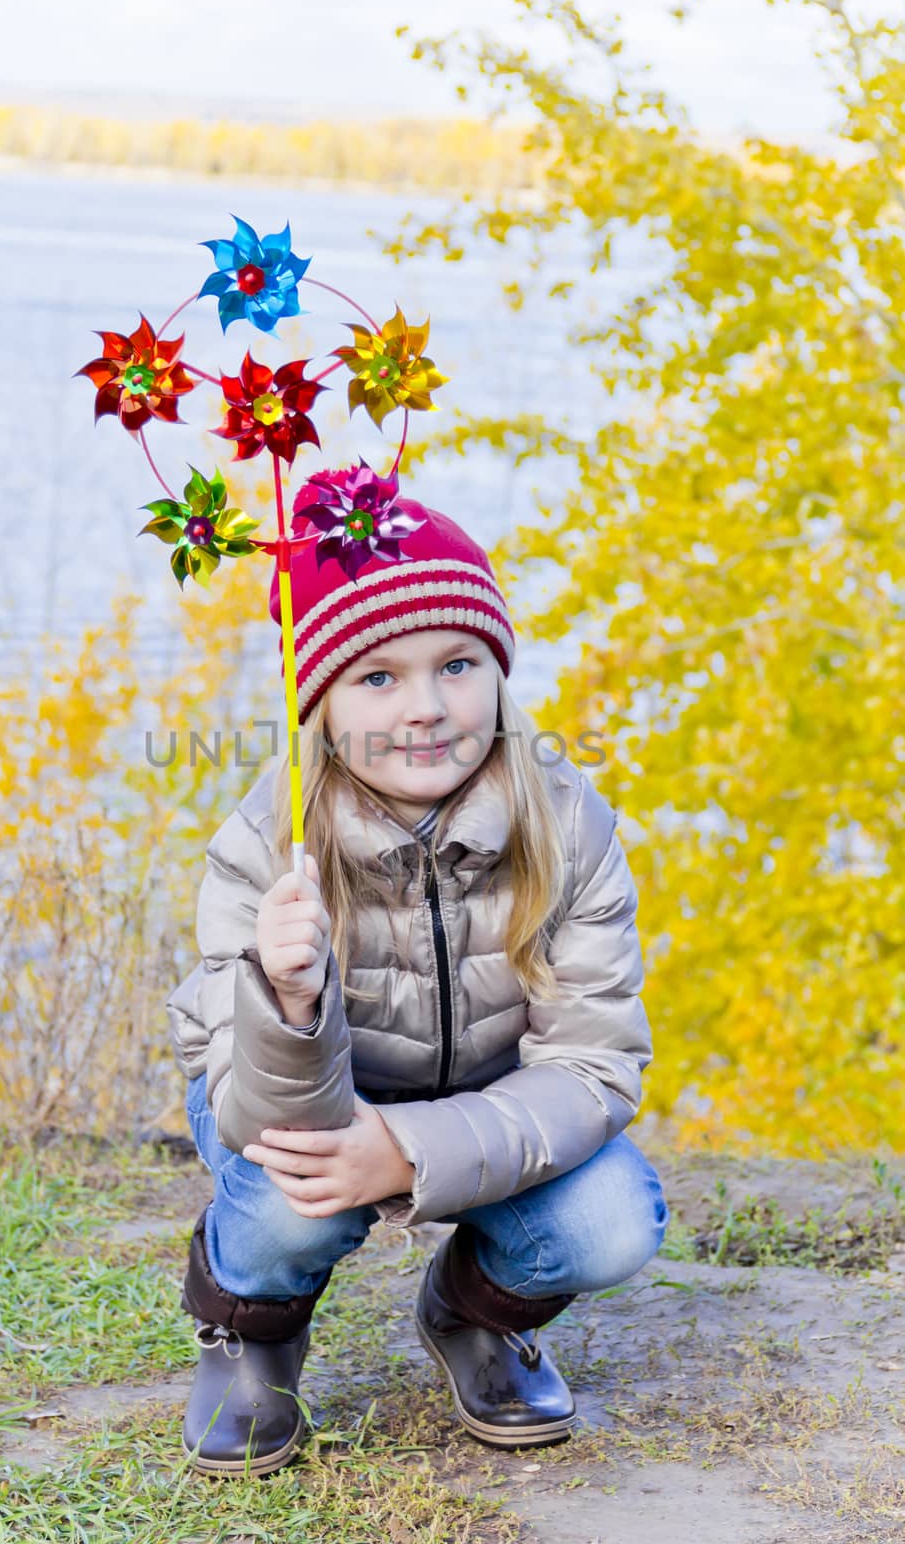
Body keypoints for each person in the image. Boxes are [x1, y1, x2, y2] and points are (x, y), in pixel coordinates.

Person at [166, 481, 670, 1476]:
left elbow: (593, 1069)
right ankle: (250, 1328)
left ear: (498, 671)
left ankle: (474, 1311)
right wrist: (291, 997)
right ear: (316, 700)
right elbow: (241, 1100)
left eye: (455, 663)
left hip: (491, 1101)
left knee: (611, 1218)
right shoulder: (263, 846)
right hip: (300, 1111)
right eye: (378, 678)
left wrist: (401, 1149)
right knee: (279, 1204)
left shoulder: (567, 830)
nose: (429, 707)